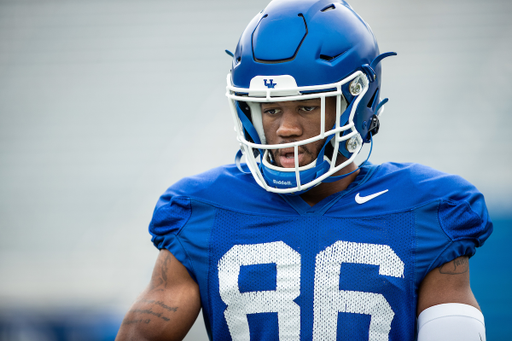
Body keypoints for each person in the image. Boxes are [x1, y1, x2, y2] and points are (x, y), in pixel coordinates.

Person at [115, 0, 493, 340]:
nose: (286, 129)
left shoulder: (429, 210)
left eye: (308, 107)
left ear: (358, 103)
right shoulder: (202, 210)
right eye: (272, 109)